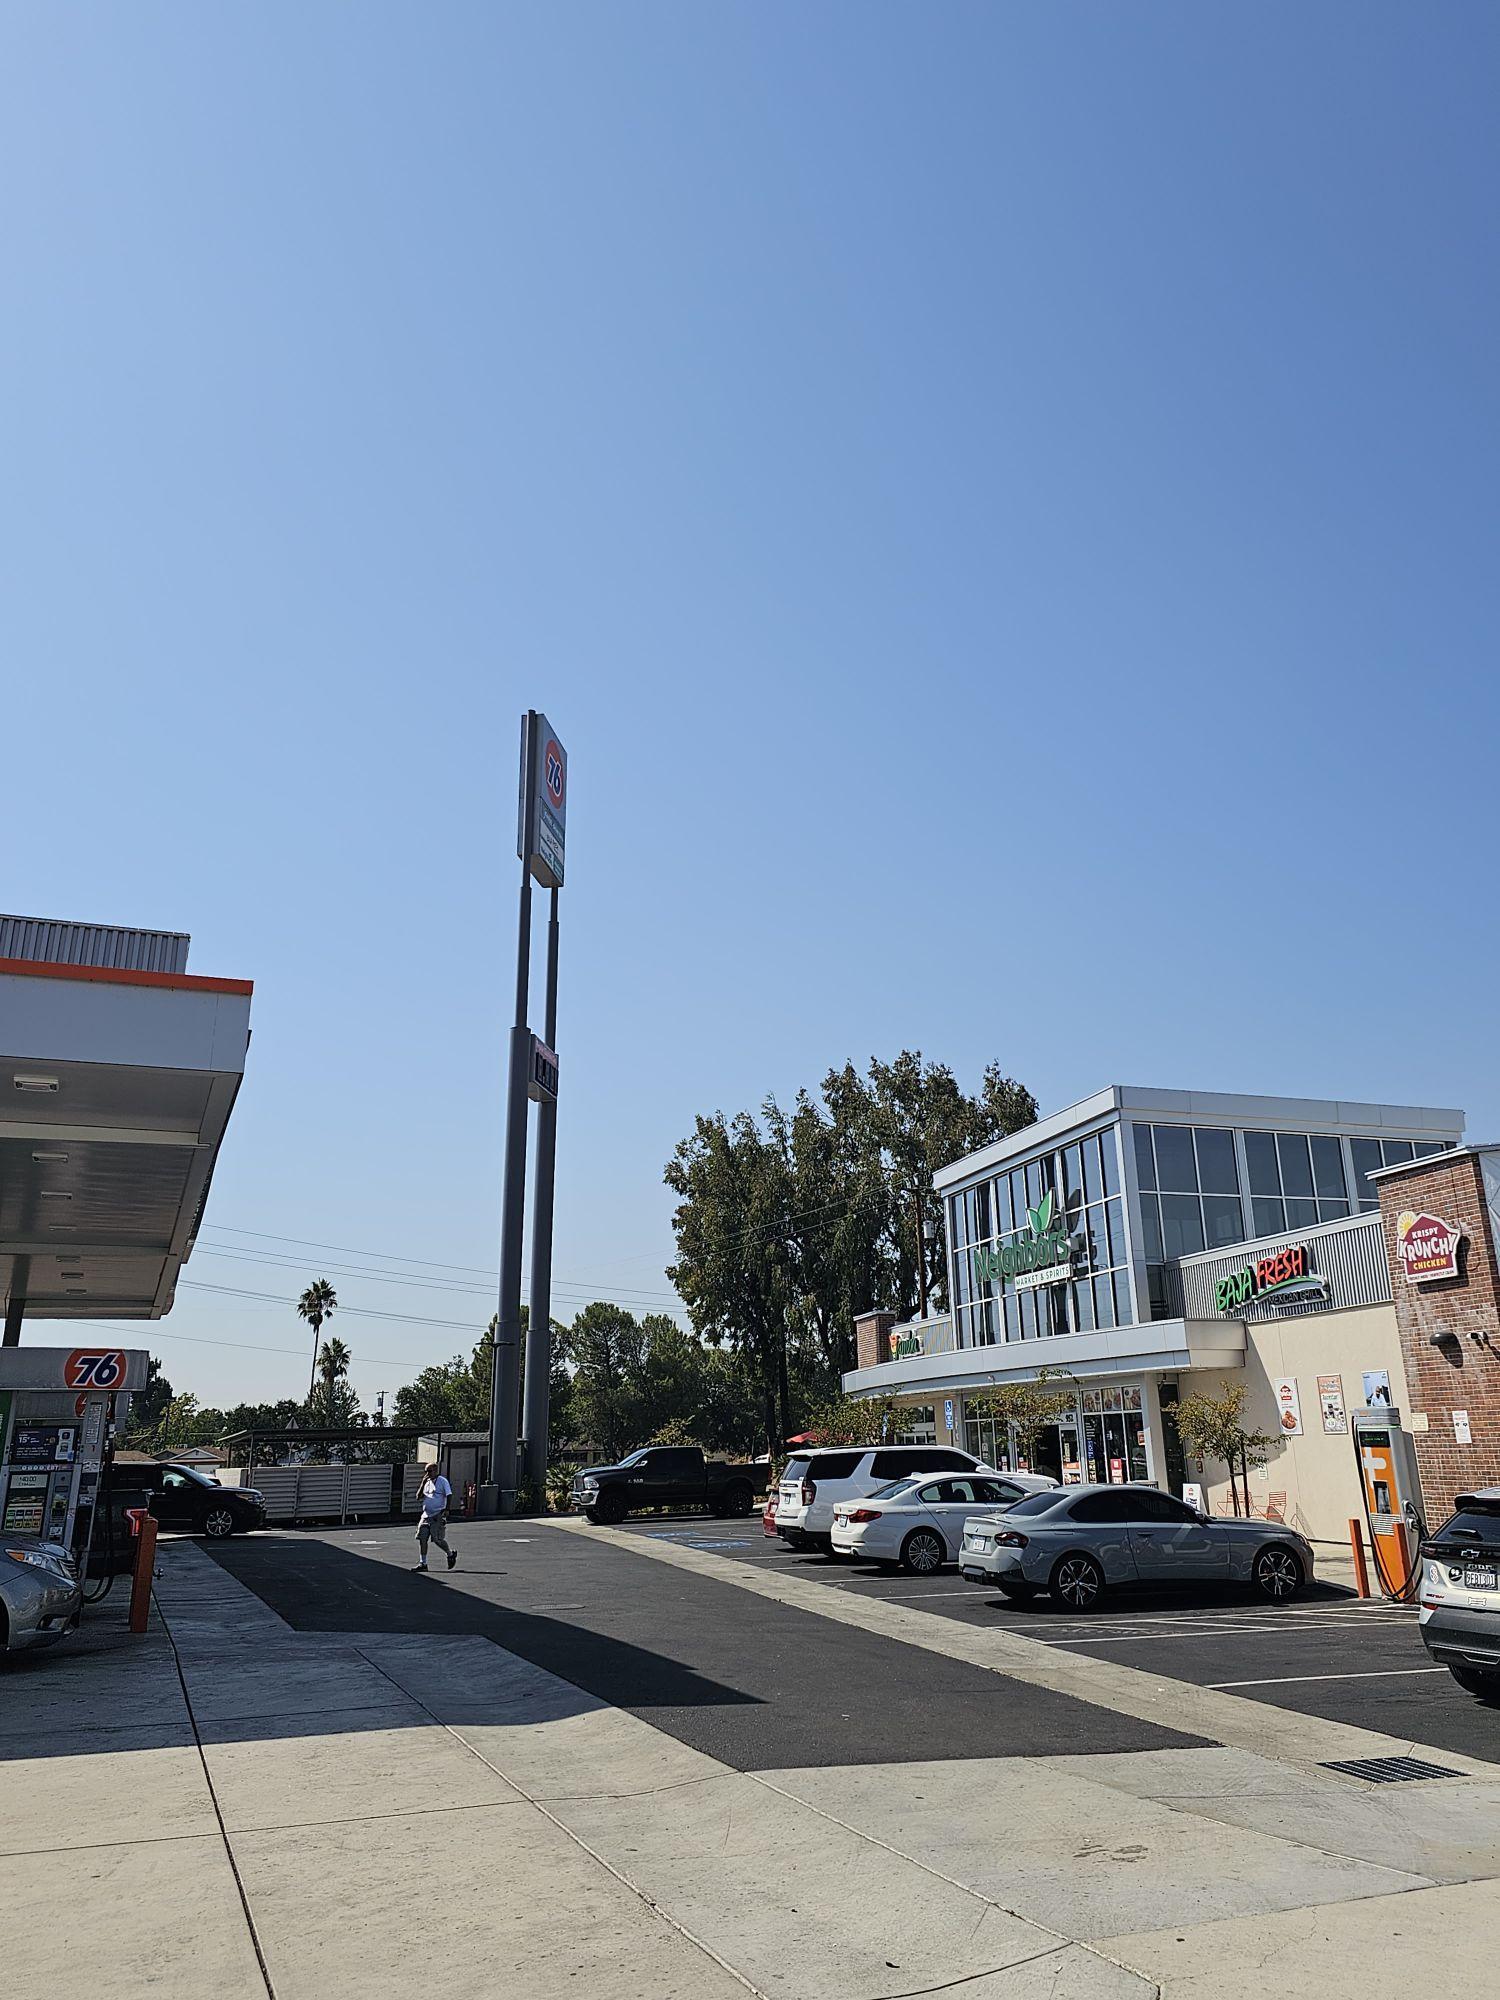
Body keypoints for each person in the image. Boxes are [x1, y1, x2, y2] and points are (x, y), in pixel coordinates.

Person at [414, 1463, 458, 1572]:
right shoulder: (426, 1482)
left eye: (429, 1471)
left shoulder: (442, 1481)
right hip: (426, 1515)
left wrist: (447, 1509)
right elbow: (418, 1497)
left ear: (435, 1471)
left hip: (437, 1514)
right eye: (426, 1472)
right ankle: (423, 1563)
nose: (427, 1474)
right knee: (422, 1539)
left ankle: (450, 1554)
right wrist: (423, 1483)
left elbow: (449, 1494)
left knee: (437, 1539)